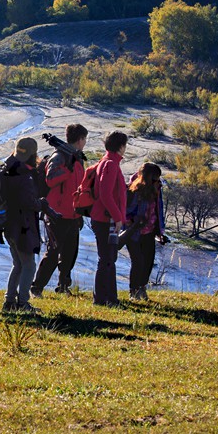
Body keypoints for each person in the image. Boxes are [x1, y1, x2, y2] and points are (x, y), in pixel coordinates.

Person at [31, 123, 88, 297]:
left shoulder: (76, 157)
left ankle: (63, 287)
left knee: (71, 253)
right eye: (84, 139)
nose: (85, 142)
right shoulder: (60, 156)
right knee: (54, 252)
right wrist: (68, 169)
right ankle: (36, 288)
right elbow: (50, 179)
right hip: (56, 213)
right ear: (80, 140)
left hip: (73, 212)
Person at [1, 137, 49, 313]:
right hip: (23, 226)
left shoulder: (8, 167)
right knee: (29, 265)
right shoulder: (24, 174)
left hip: (9, 224)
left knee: (18, 264)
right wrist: (41, 204)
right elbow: (28, 202)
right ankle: (22, 303)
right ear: (33, 154)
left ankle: (9, 302)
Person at [90, 130, 129, 307]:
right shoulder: (111, 164)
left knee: (108, 259)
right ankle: (103, 299)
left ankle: (108, 298)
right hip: (106, 219)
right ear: (121, 146)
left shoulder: (107, 161)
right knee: (106, 259)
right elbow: (105, 195)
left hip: (104, 218)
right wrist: (118, 217)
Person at [124, 163, 167, 301]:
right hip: (134, 232)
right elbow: (125, 211)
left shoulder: (156, 188)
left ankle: (142, 288)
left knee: (148, 261)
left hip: (150, 231)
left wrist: (160, 231)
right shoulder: (133, 189)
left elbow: (158, 209)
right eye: (155, 179)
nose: (157, 182)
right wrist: (132, 222)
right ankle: (133, 291)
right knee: (137, 262)